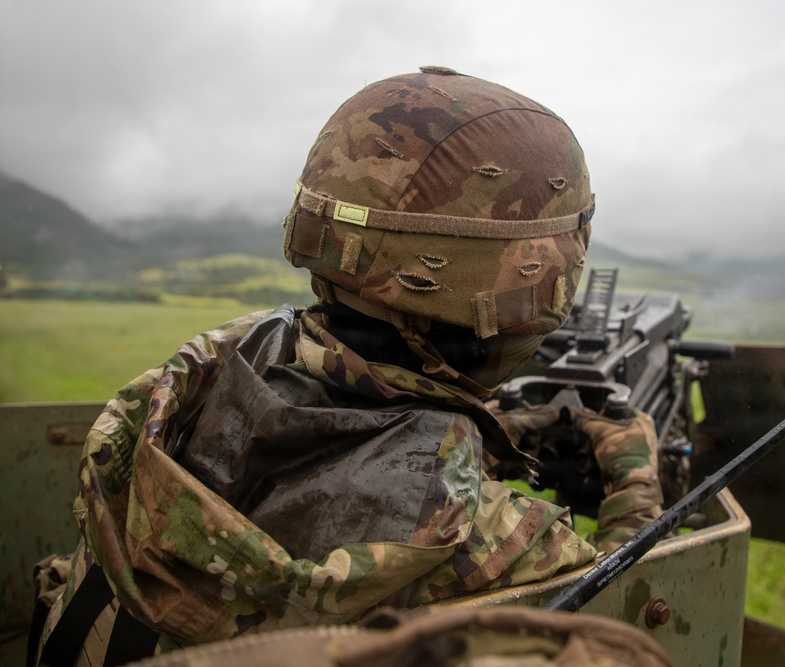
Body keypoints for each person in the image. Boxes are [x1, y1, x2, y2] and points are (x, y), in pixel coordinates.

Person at [31, 67, 664, 665]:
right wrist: (636, 483)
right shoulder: (509, 549)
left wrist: (478, 440)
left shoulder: (189, 390)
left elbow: (319, 453)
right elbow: (632, 619)